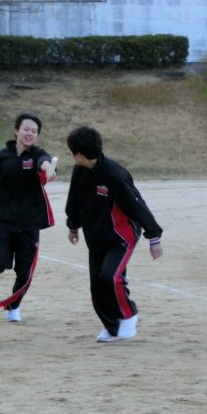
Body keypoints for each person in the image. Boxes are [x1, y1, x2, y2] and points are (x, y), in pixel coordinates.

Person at [64, 126, 163, 342]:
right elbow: (74, 200)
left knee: (111, 277)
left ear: (78, 153)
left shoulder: (115, 175)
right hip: (96, 238)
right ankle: (112, 327)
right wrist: (73, 226)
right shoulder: (79, 171)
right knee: (97, 287)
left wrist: (154, 236)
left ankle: (128, 315)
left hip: (121, 237)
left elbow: (137, 205)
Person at [0, 113, 56, 322]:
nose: (30, 133)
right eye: (26, 129)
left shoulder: (37, 154)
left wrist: (48, 170)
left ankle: (13, 307)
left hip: (30, 223)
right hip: (3, 220)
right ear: (16, 131)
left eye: (34, 131)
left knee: (25, 272)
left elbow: (44, 162)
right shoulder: (1, 157)